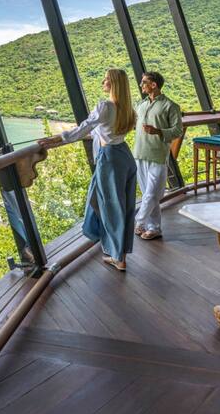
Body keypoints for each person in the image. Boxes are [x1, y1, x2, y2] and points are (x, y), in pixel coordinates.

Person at [39, 68, 137, 271]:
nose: (103, 81)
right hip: (124, 156)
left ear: (114, 84)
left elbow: (84, 127)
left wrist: (56, 139)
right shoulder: (127, 109)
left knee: (111, 208)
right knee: (120, 206)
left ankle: (118, 257)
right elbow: (101, 130)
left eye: (107, 79)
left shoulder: (105, 106)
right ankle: (116, 251)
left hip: (109, 158)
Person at [133, 71, 183, 240]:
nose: (141, 85)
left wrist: (158, 131)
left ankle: (138, 221)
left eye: (144, 82)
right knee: (148, 193)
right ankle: (153, 228)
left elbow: (177, 131)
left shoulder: (171, 106)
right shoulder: (141, 105)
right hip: (139, 153)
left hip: (157, 155)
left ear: (153, 85)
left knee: (152, 194)